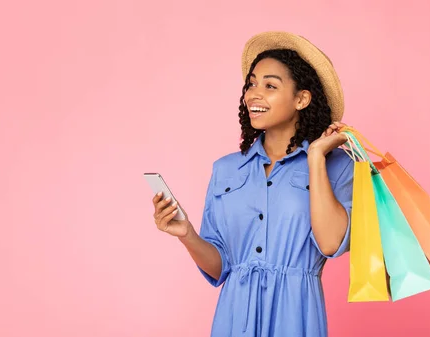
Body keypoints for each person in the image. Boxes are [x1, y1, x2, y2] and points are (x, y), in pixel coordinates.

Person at [151, 31, 353, 337]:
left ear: (302, 98)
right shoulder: (225, 170)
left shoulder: (337, 166)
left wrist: (315, 157)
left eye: (270, 86)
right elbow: (221, 268)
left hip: (295, 315)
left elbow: (330, 244)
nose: (253, 94)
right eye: (251, 84)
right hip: (234, 316)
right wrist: (187, 234)